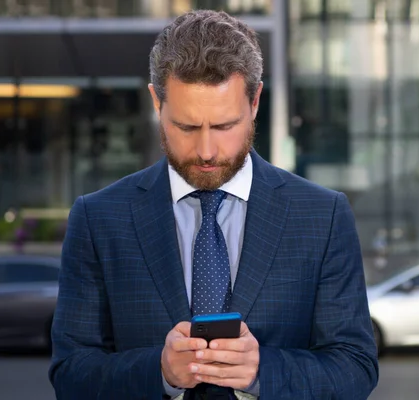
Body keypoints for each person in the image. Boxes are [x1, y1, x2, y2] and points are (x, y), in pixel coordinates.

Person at [49, 9, 378, 400]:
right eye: (186, 127)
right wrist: (159, 371)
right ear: (157, 103)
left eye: (224, 126)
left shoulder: (323, 216)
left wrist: (261, 371)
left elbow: (355, 369)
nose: (206, 151)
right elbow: (71, 374)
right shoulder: (98, 219)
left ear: (255, 102)